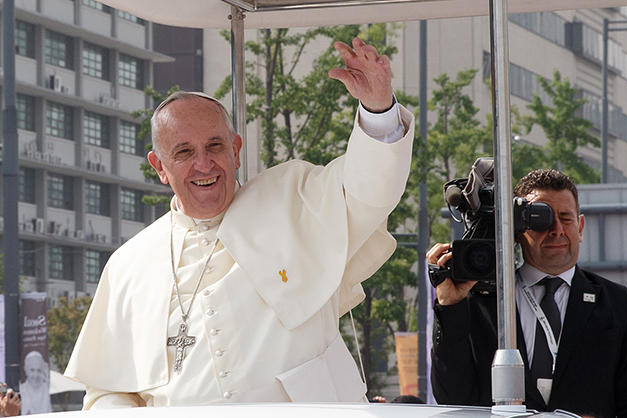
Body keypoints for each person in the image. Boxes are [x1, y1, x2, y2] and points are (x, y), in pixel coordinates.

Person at [64, 37, 414, 409]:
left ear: (235, 151)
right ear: (159, 167)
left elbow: (368, 191)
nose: (204, 164)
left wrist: (378, 107)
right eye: (184, 152)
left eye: (214, 146)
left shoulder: (293, 198)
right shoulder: (128, 265)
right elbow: (108, 391)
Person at [429, 169, 627, 418]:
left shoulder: (618, 305)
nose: (557, 230)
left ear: (580, 227)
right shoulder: (481, 302)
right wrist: (450, 305)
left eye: (566, 218)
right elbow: (452, 399)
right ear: (517, 229)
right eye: (542, 218)